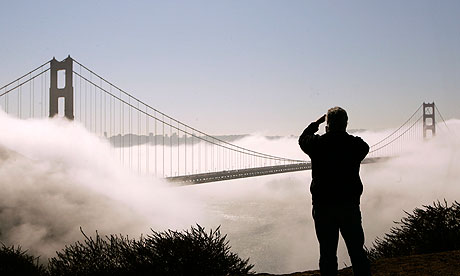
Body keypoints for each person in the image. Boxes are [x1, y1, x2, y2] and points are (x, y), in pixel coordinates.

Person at [298, 107, 371, 276]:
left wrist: (316, 124)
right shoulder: (355, 145)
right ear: (346, 124)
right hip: (349, 206)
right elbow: (364, 146)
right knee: (357, 253)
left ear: (327, 125)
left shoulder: (317, 145)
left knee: (327, 254)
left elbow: (302, 139)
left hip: (323, 208)